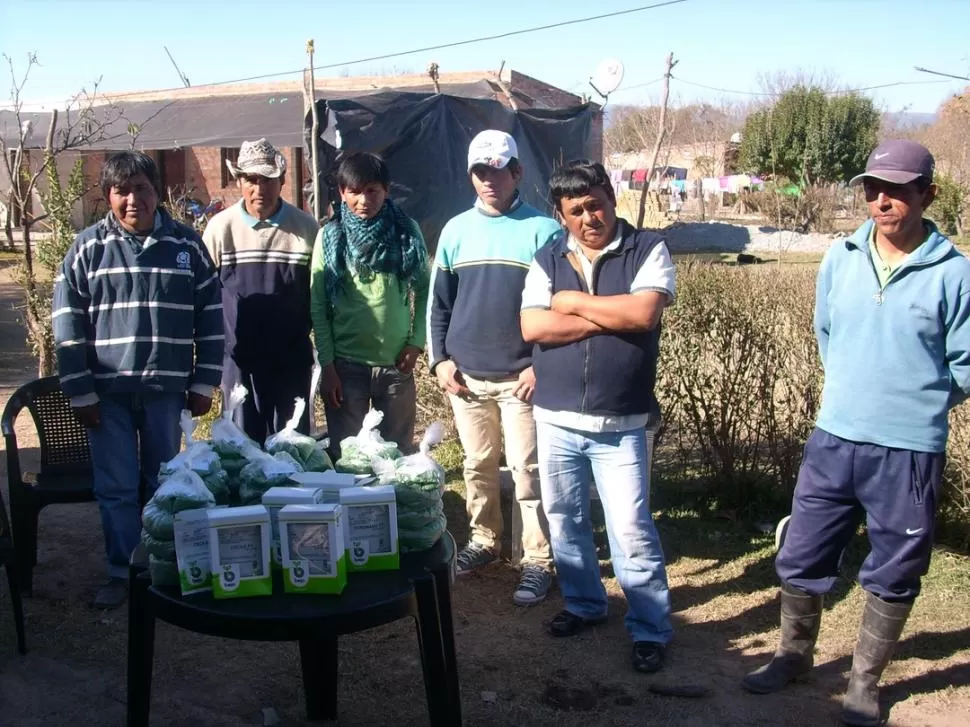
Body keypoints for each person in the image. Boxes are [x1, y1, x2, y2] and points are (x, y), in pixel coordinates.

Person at [742, 140, 970, 727]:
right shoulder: (840, 257)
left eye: (897, 189)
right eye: (873, 187)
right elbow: (826, 334)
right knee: (802, 553)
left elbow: (964, 367)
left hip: (910, 449)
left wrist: (911, 405)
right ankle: (793, 655)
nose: (882, 199)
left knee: (896, 566)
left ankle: (865, 682)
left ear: (928, 194)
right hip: (835, 437)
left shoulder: (956, 273)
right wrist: (854, 395)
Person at [520, 159, 675, 673]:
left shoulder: (647, 248)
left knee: (630, 527)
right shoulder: (547, 256)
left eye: (596, 204)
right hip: (556, 417)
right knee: (565, 520)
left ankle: (650, 627)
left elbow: (642, 315)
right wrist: (603, 315)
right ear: (561, 216)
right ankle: (585, 605)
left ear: (611, 196)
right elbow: (533, 328)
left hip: (621, 422)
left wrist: (571, 303)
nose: (589, 218)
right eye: (575, 211)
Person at [53, 151, 223, 609]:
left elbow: (211, 319)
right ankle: (122, 571)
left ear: (157, 191)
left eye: (141, 189)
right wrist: (80, 391)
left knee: (165, 483)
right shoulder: (86, 250)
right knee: (116, 486)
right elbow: (67, 325)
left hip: (166, 394)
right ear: (108, 195)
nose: (133, 200)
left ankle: (163, 568)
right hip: (106, 397)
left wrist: (204, 382)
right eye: (121, 191)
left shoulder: (188, 248)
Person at [428, 129, 560, 606]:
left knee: (528, 472)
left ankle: (538, 560)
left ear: (517, 172)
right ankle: (485, 541)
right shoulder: (455, 230)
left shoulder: (544, 231)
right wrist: (440, 360)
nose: (489, 180)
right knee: (477, 466)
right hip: (465, 379)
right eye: (480, 172)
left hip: (522, 379)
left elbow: (557, 310)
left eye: (497, 170)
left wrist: (540, 366)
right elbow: (437, 306)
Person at [310, 152, 430, 457]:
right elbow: (319, 306)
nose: (364, 200)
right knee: (350, 459)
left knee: (397, 457)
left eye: (372, 191)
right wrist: (328, 366)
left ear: (386, 190)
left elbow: (425, 289)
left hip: (396, 367)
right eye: (355, 192)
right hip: (346, 368)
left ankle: (394, 508)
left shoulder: (406, 233)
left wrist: (416, 343)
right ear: (341, 193)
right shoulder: (330, 236)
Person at [203, 138, 320, 445]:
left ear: (282, 180)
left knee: (292, 447)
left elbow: (319, 297)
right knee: (241, 448)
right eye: (251, 180)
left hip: (291, 359)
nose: (259, 189)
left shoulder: (306, 229)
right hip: (238, 359)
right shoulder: (220, 229)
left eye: (267, 180)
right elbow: (204, 300)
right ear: (239, 181)